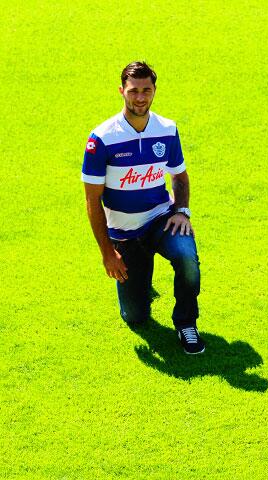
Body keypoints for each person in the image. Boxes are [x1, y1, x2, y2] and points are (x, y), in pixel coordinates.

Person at [82, 61, 205, 354]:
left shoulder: (167, 129)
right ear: (121, 91)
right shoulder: (101, 139)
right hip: (124, 234)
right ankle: (140, 281)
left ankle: (186, 323)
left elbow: (180, 176)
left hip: (160, 219)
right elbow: (92, 201)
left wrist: (182, 211)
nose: (140, 97)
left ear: (154, 91)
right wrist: (107, 253)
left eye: (146, 90)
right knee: (135, 317)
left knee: (187, 257)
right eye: (133, 91)